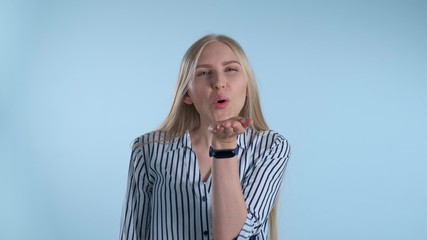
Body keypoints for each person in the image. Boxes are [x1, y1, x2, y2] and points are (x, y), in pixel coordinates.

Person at [119, 34, 290, 240]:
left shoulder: (271, 148)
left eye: (231, 69)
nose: (219, 83)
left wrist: (224, 147)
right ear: (186, 94)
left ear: (247, 86)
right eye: (204, 73)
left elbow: (235, 237)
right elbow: (133, 233)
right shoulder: (148, 149)